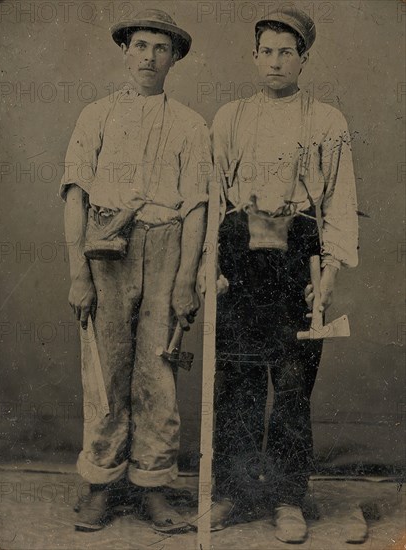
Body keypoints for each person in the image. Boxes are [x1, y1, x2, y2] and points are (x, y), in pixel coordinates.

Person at [210, 7, 359, 543]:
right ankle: (232, 491)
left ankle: (287, 497)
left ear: (304, 59)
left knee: (293, 382)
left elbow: (340, 199)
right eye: (267, 51)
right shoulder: (229, 117)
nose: (276, 62)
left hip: (299, 252)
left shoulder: (327, 121)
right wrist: (213, 266)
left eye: (287, 52)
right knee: (236, 378)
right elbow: (211, 200)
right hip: (238, 252)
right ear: (255, 57)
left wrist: (331, 272)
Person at [61, 9, 210, 533]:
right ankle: (101, 485)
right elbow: (75, 194)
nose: (149, 57)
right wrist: (78, 270)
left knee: (158, 371)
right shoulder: (95, 115)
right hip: (106, 252)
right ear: (126, 51)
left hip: (167, 250)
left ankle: (153, 488)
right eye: (141, 46)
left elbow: (196, 207)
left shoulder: (191, 124)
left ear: (174, 58)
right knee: (106, 371)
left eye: (160, 49)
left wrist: (186, 279)